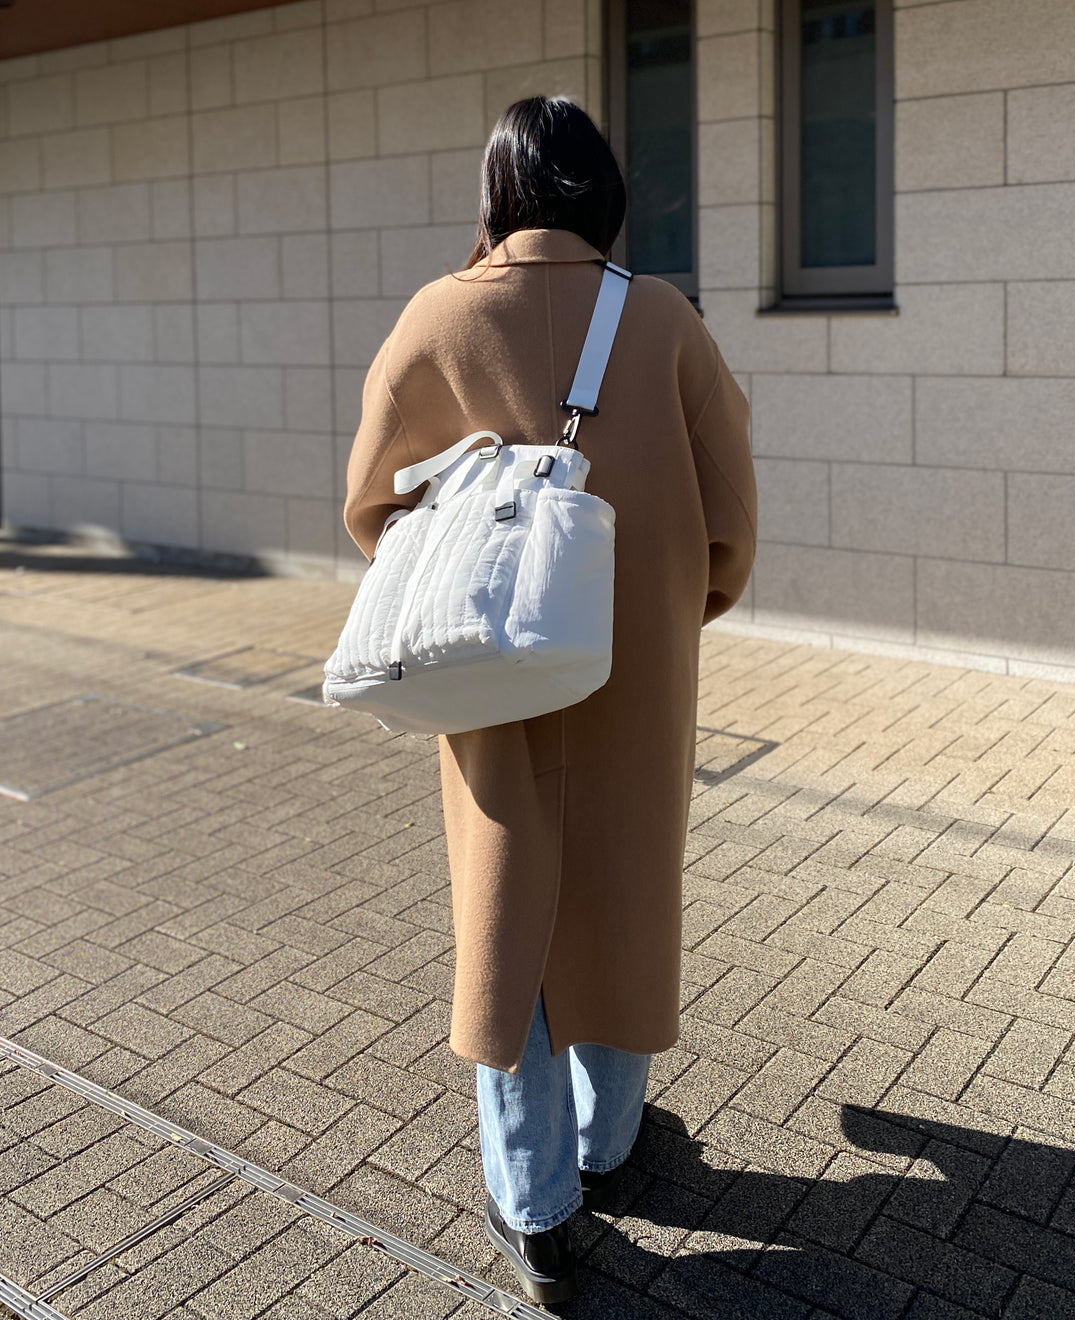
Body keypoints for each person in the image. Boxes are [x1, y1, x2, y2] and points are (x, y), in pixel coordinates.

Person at [343, 97, 756, 1305]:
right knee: (624, 886)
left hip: (489, 674)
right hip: (632, 668)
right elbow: (729, 522)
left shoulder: (434, 317)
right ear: (602, 197)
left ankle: (533, 1208)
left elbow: (370, 508)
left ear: (498, 195)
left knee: (504, 908)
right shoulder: (666, 320)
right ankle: (610, 1143)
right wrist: (682, 599)